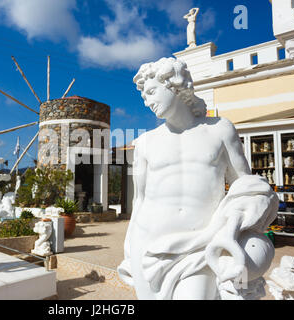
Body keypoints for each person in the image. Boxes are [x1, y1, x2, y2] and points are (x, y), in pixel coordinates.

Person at [117, 57, 278, 300]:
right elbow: (140, 199)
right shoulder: (145, 143)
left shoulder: (220, 129)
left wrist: (238, 229)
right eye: (144, 97)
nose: (148, 102)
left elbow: (244, 187)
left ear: (173, 85)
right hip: (148, 244)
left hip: (201, 244)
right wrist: (129, 249)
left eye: (151, 92)